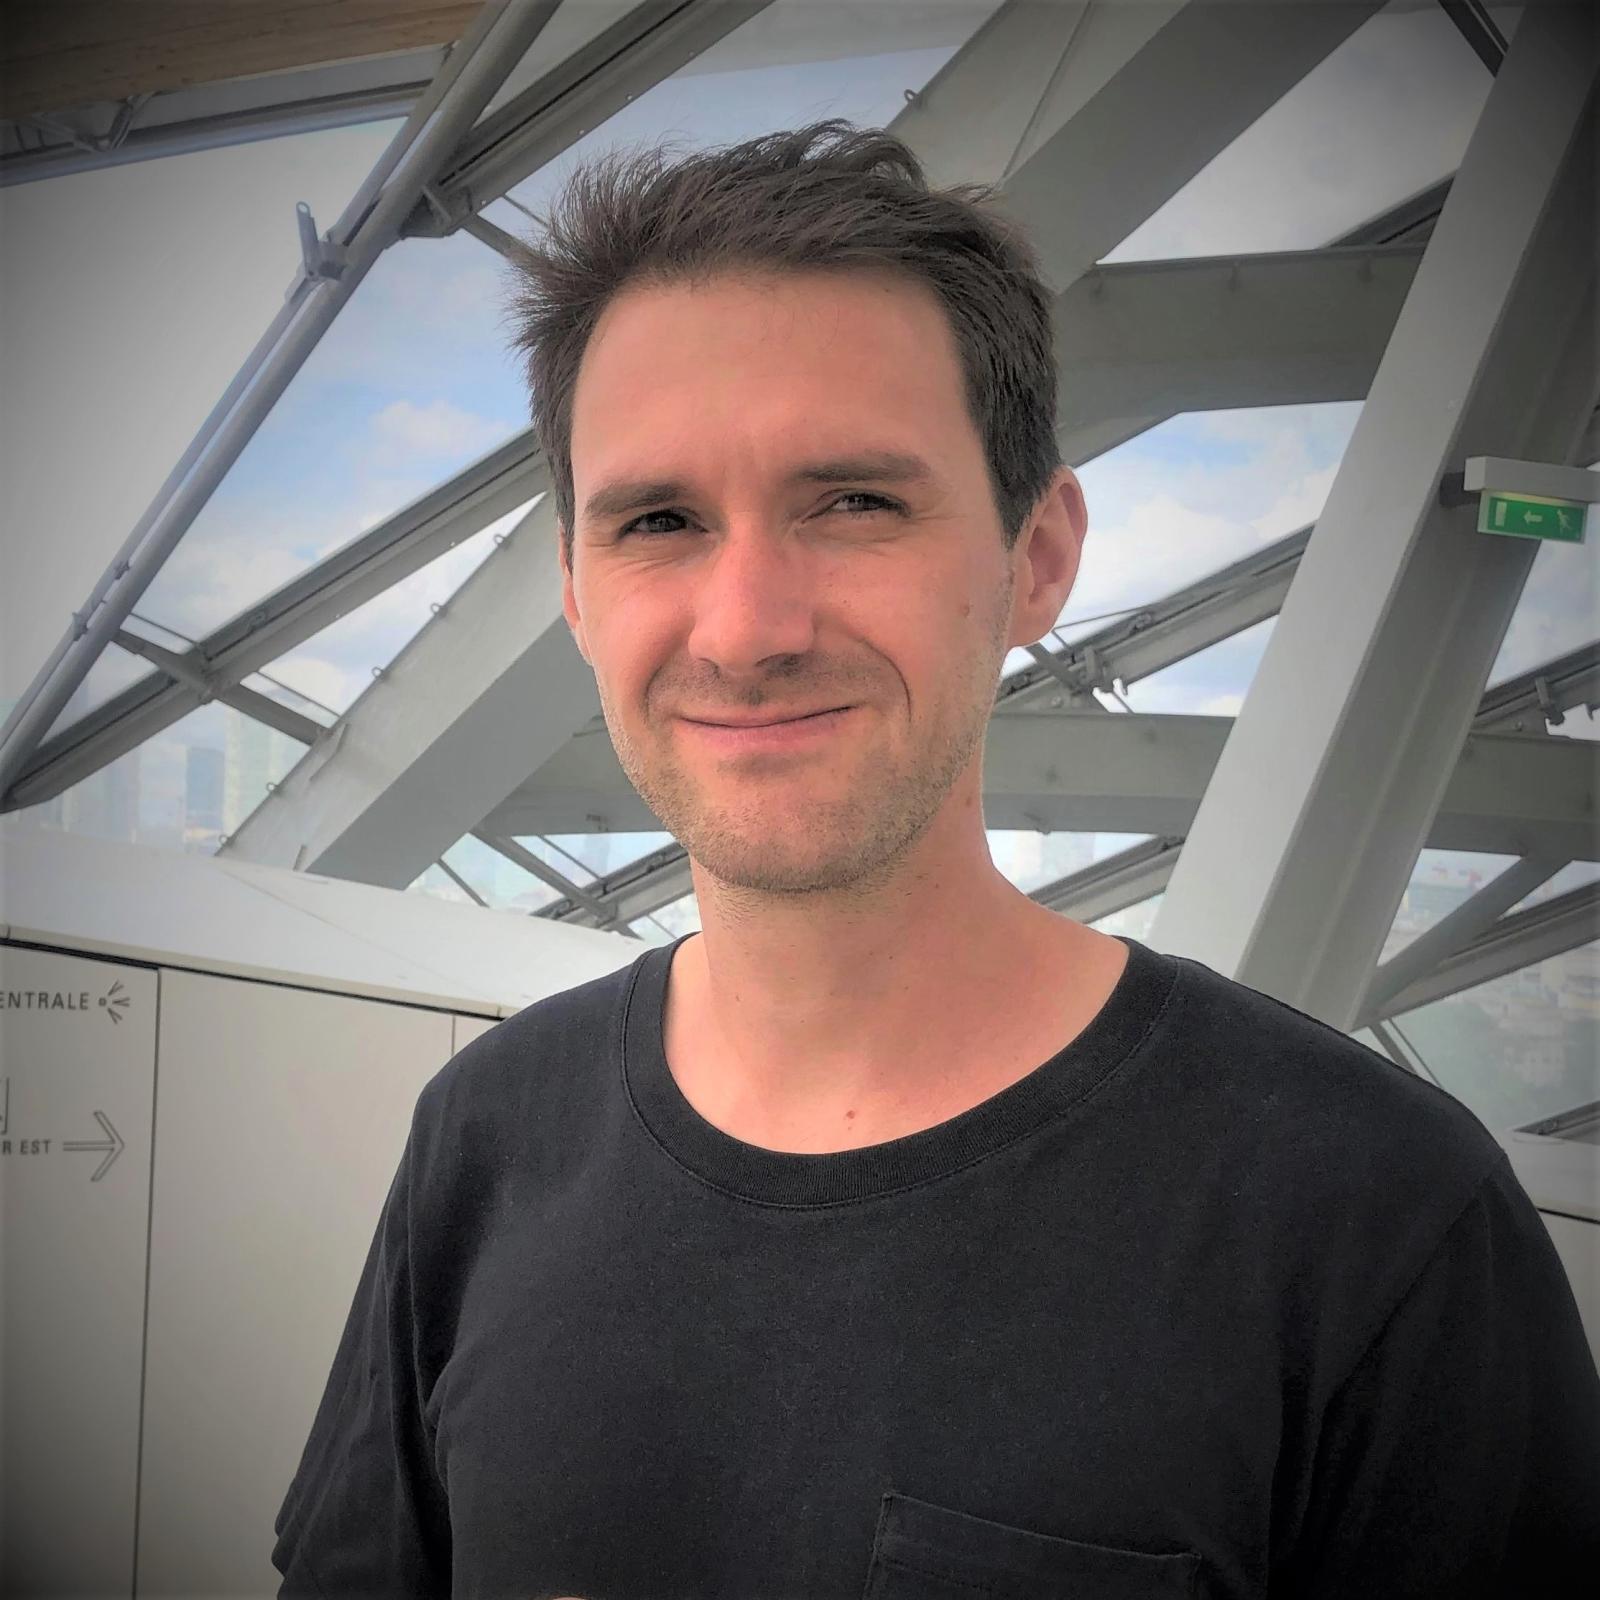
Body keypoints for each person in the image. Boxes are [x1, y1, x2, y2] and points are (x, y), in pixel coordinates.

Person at [272, 121, 1600, 1598]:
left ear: (1036, 559)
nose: (746, 627)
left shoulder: (1373, 1229)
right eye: (658, 520)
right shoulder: (489, 1140)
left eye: (853, 503)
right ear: (579, 593)